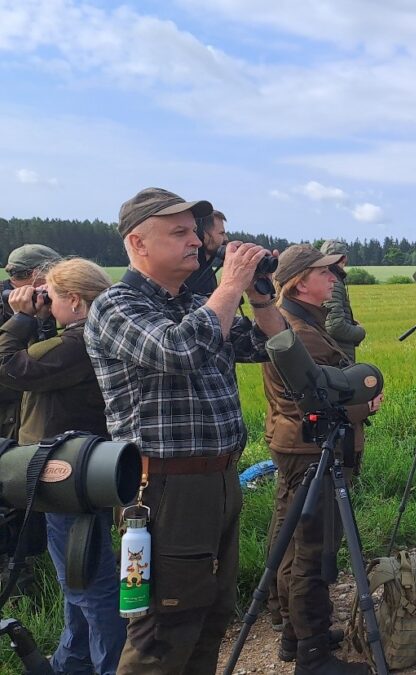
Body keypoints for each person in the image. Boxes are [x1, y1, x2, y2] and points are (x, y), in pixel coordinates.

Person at [85, 187, 286, 674]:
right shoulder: (118, 306)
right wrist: (230, 285)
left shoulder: (196, 302)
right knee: (164, 627)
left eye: (195, 231)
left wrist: (260, 297)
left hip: (219, 480)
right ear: (138, 243)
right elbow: (180, 351)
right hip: (165, 489)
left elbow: (270, 345)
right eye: (178, 232)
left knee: (212, 616)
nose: (195, 241)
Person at [0, 258, 127, 675]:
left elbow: (10, 368)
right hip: (82, 469)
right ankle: (73, 661)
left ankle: (112, 667)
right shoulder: (91, 335)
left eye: (51, 298)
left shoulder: (78, 343)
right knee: (77, 577)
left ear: (75, 300)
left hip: (65, 472)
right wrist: (38, 321)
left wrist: (19, 319)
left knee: (89, 582)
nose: (46, 304)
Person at [262, 244, 379, 674]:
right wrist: (367, 404)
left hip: (295, 445)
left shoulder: (298, 320)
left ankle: (297, 634)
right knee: (316, 548)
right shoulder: (301, 331)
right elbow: (311, 403)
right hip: (313, 449)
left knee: (295, 540)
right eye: (326, 273)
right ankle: (313, 655)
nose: (335, 280)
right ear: (299, 281)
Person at [1, 243, 61, 439]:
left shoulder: (40, 302)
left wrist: (44, 321)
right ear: (36, 275)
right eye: (56, 275)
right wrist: (22, 319)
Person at [319, 240, 365, 364]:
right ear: (343, 258)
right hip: (338, 355)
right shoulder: (334, 283)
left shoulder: (324, 279)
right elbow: (334, 326)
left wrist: (350, 322)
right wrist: (360, 332)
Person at [184, 209, 229, 295]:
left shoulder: (208, 270)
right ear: (204, 235)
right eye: (221, 233)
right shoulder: (188, 273)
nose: (226, 238)